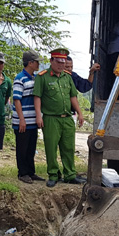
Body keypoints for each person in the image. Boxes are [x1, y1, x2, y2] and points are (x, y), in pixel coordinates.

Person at [33, 47, 85, 187]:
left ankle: (70, 174)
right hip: (51, 118)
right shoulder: (42, 77)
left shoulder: (67, 77)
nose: (61, 65)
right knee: (51, 147)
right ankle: (53, 175)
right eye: (58, 62)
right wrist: (39, 116)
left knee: (68, 147)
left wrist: (80, 113)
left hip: (67, 118)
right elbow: (37, 97)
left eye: (63, 62)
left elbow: (73, 96)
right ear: (51, 61)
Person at [13, 50, 46, 184]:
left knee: (31, 147)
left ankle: (31, 172)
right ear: (30, 63)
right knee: (22, 147)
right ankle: (23, 173)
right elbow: (16, 99)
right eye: (37, 62)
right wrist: (21, 119)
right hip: (23, 120)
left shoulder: (35, 78)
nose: (39, 64)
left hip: (33, 120)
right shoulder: (20, 78)